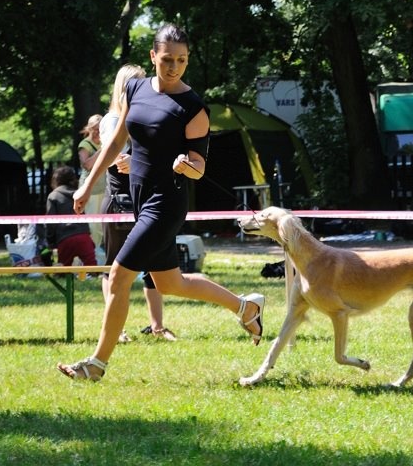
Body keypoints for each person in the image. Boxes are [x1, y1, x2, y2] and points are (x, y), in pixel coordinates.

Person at [58, 24, 264, 381]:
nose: (174, 67)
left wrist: (187, 165)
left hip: (165, 203)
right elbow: (114, 142)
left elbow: (200, 167)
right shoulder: (135, 89)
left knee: (120, 275)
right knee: (171, 284)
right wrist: (86, 185)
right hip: (139, 202)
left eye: (182, 60)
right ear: (153, 56)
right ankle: (245, 307)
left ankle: (96, 364)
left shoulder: (193, 107)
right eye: (167, 59)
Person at [99, 63, 176, 342]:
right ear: (124, 88)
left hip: (145, 201)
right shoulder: (111, 120)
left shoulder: (146, 118)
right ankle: (116, 330)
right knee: (114, 267)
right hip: (119, 202)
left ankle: (157, 326)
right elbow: (117, 158)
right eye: (136, 83)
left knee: (153, 264)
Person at [45, 166, 97, 267]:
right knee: (92, 268)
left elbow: (50, 221)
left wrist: (50, 241)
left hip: (65, 237)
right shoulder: (80, 194)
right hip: (84, 235)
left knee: (63, 269)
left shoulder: (53, 196)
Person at [78, 114, 105, 247]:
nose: (98, 132)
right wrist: (102, 150)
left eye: (100, 129)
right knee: (94, 226)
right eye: (95, 129)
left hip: (104, 189)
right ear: (89, 129)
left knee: (104, 226)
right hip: (91, 191)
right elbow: (87, 164)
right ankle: (91, 258)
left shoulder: (104, 142)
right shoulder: (85, 144)